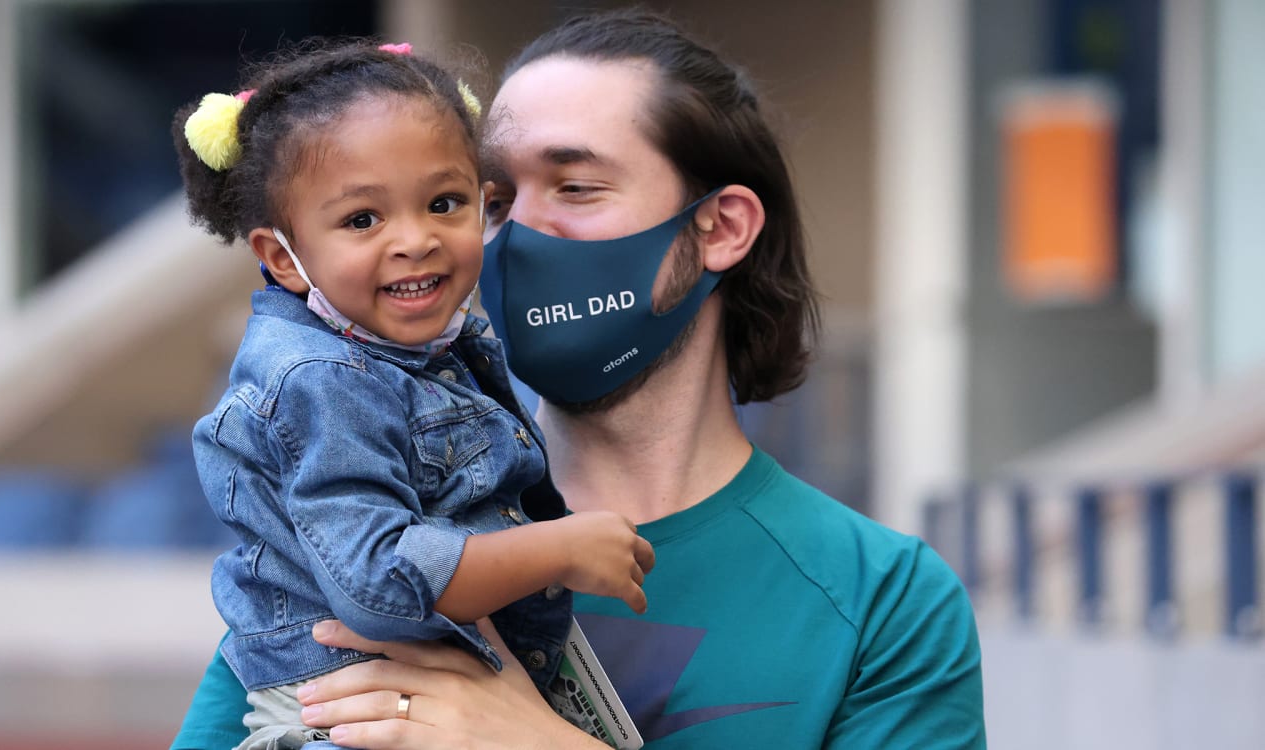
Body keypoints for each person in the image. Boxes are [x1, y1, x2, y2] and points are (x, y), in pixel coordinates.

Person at [173, 10, 985, 750]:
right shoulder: (329, 552)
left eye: (575, 187)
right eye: (492, 198)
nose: (516, 233)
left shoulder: (883, 600)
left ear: (721, 227)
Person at [172, 40, 655, 750]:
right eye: (363, 219)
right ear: (283, 258)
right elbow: (380, 583)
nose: (416, 239)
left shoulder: (423, 349)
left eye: (443, 202)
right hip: (346, 716)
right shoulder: (321, 378)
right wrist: (557, 549)